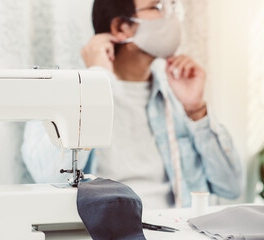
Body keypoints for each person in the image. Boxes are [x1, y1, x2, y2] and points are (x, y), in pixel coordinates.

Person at [21, 0, 243, 209]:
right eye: (159, 6)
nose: (172, 17)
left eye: (172, 5)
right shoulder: (63, 92)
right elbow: (48, 176)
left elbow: (231, 187)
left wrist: (196, 111)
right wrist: (96, 81)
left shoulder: (177, 97)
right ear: (121, 27)